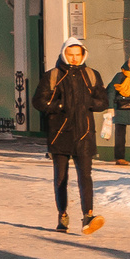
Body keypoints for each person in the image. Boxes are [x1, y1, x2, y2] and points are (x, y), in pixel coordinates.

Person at [39, 41, 108, 235]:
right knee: (61, 178)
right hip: (59, 134)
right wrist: (58, 106)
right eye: (70, 54)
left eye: (77, 54)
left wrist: (89, 102)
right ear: (63, 54)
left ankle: (88, 216)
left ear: (83, 54)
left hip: (84, 133)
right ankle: (62, 214)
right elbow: (39, 101)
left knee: (85, 176)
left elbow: (103, 101)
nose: (74, 58)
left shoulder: (91, 75)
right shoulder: (52, 76)